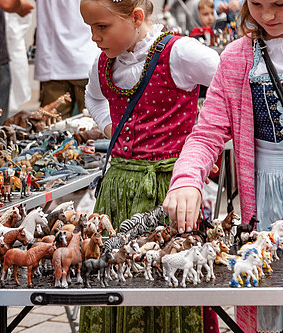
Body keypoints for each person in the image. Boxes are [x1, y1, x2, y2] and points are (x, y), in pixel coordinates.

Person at [78, 0, 220, 332]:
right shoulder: (103, 64)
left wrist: (207, 140)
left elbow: (227, 84)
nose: (95, 38)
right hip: (116, 192)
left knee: (170, 272)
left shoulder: (180, 53)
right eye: (90, 28)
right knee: (113, 271)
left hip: (168, 191)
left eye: (102, 27)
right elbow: (93, 97)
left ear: (136, 18)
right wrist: (112, 128)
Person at [164, 0, 283, 331]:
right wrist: (187, 179)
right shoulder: (236, 58)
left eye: (280, 4)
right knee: (267, 300)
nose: (268, 15)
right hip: (264, 196)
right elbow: (206, 134)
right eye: (257, 4)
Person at [34, 0, 100, 119]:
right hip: (89, 58)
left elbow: (10, 4)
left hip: (53, 62)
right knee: (95, 127)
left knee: (52, 130)